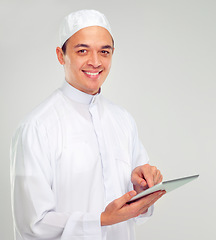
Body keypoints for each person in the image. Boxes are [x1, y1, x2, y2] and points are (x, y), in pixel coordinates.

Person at [10, 9, 165, 240]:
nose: (95, 62)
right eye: (82, 50)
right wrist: (102, 220)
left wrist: (143, 190)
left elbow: (137, 211)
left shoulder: (123, 120)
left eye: (105, 52)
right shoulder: (36, 127)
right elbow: (32, 224)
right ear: (61, 55)